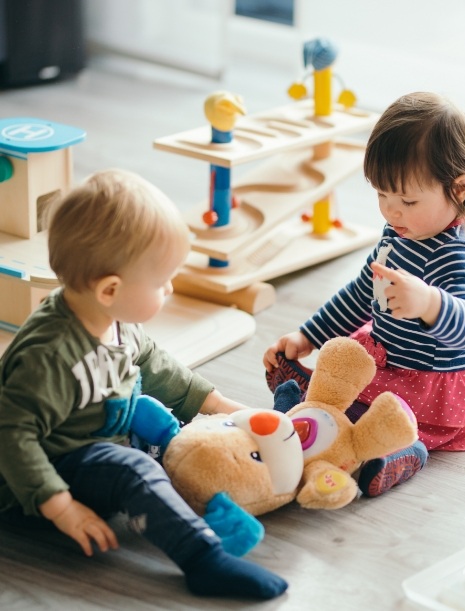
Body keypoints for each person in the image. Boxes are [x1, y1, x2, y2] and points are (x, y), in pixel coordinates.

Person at [0, 169, 288, 601]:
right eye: (160, 282)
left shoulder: (114, 321)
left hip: (99, 435)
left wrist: (232, 411)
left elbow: (162, 370)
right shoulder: (50, 356)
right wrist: (60, 507)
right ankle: (202, 559)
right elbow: (12, 435)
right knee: (135, 470)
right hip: (42, 474)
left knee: (177, 434)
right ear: (110, 289)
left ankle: (219, 494)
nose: (170, 288)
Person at [264, 92, 465, 498]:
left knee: (392, 421)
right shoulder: (401, 231)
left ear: (460, 189)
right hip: (389, 356)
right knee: (346, 375)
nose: (391, 212)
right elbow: (363, 292)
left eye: (407, 200)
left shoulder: (457, 254)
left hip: (433, 382)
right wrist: (308, 336)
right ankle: (308, 398)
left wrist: (429, 303)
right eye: (382, 195)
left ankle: (401, 454)